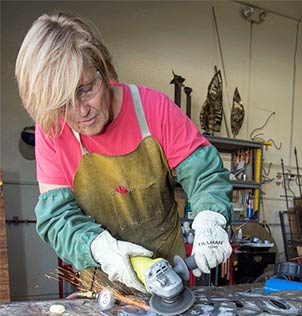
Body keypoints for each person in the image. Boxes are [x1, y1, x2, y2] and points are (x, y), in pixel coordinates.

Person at [15, 12, 233, 294]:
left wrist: (210, 219)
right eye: (62, 103)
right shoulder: (53, 131)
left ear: (103, 71)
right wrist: (100, 248)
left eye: (86, 89)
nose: (81, 111)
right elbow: (57, 218)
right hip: (102, 280)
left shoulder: (154, 108)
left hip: (170, 276)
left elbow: (206, 176)